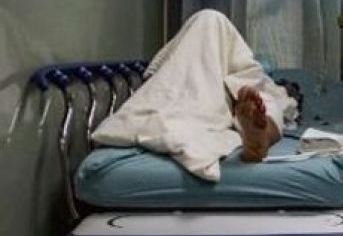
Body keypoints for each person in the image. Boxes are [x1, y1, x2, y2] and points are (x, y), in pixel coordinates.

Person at [92, 10, 297, 181]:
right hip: (218, 70)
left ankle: (257, 133)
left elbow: (158, 68)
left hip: (222, 87)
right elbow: (176, 64)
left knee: (262, 97)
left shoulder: (272, 92)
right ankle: (260, 134)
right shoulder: (268, 85)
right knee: (212, 25)